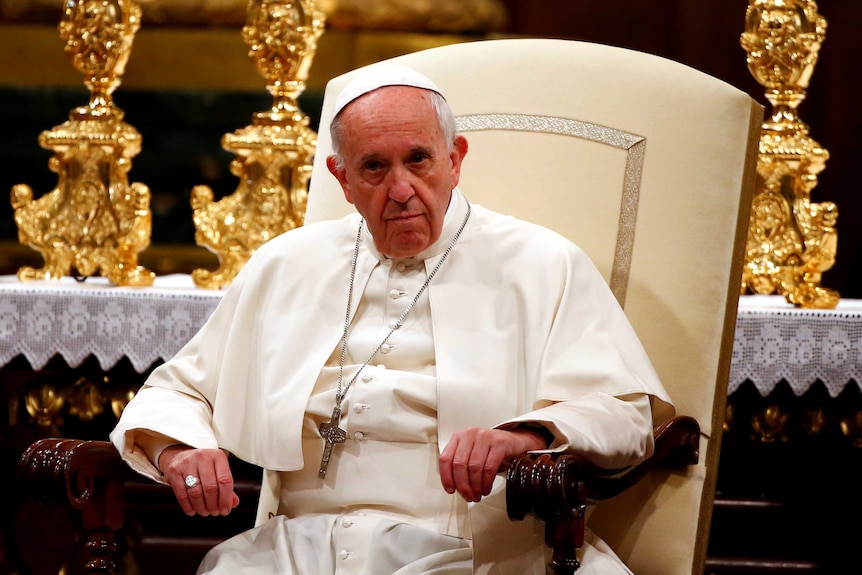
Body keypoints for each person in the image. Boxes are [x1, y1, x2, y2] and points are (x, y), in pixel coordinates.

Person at [110, 64, 674, 575]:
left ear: (454, 160)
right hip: (292, 552)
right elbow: (178, 391)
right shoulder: (287, 263)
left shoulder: (541, 262)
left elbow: (627, 414)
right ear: (342, 178)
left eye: (419, 160)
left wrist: (523, 435)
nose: (401, 190)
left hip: (474, 553)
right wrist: (179, 450)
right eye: (374, 167)